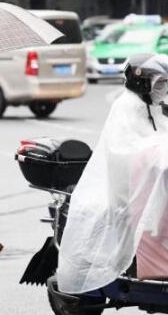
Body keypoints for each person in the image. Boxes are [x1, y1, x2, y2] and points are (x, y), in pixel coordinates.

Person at [58, 53, 168, 293]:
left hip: (148, 179)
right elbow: (130, 148)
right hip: (125, 187)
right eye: (159, 83)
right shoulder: (128, 107)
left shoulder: (155, 106)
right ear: (141, 82)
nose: (163, 88)